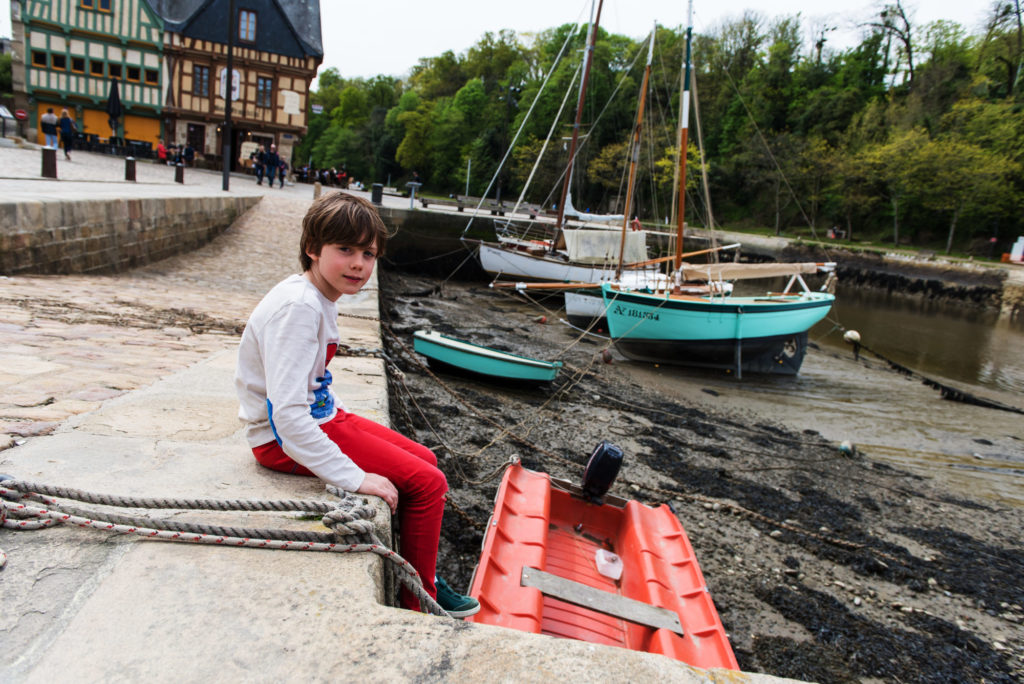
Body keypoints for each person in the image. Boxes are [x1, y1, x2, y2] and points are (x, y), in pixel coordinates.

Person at [234, 193, 479, 618]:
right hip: (278, 440)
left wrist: (347, 421)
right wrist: (353, 476)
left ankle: (422, 573)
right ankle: (418, 598)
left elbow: (314, 383)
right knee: (429, 484)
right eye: (344, 250)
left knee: (424, 459)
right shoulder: (298, 309)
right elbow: (287, 415)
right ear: (313, 248)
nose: (358, 265)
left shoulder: (316, 298)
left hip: (321, 416)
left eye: (368, 254)